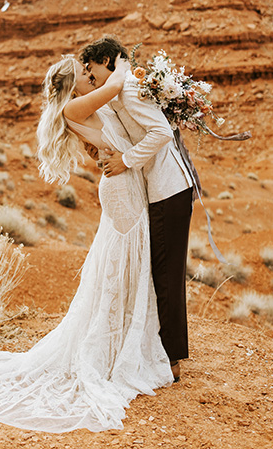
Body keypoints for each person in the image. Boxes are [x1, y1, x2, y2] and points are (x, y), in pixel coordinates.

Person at [0, 55, 174, 433]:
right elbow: (116, 85)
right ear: (72, 84)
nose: (90, 77)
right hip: (120, 190)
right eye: (85, 74)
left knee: (122, 263)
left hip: (125, 184)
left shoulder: (85, 104)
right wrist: (122, 61)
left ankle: (121, 344)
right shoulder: (74, 106)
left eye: (90, 72)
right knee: (122, 263)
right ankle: (115, 350)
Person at [80, 36, 201, 383]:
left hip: (168, 190)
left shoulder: (130, 91)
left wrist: (125, 161)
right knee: (162, 270)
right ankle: (165, 351)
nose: (92, 77)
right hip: (162, 190)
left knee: (166, 274)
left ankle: (171, 359)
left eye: (93, 69)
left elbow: (161, 132)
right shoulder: (121, 92)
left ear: (107, 61)